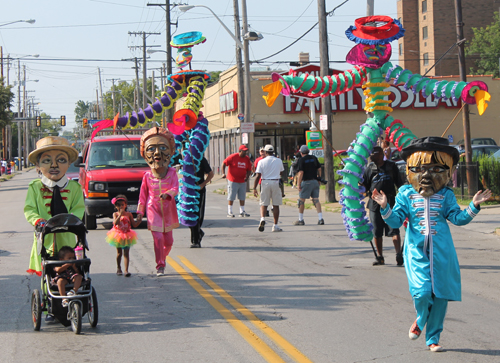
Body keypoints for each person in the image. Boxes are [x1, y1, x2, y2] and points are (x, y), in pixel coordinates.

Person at [372, 136, 491, 353]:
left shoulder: (446, 195)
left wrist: (473, 205)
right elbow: (397, 220)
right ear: (410, 171)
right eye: (420, 169)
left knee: (440, 296)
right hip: (416, 251)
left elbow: (458, 218)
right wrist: (385, 207)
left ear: (447, 172)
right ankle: (420, 319)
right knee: (422, 291)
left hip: (442, 253)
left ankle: (433, 338)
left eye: (436, 169)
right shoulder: (406, 194)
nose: (426, 175)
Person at [24, 136, 85, 276]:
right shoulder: (35, 187)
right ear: (38, 165)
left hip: (67, 237)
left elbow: (78, 207)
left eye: (61, 160)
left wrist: (72, 219)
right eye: (47, 161)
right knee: (48, 271)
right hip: (45, 239)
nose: (54, 165)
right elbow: (30, 209)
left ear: (69, 163)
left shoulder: (75, 187)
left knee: (69, 267)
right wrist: (38, 220)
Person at [137, 127, 179, 277]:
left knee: (169, 241)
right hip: (153, 209)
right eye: (151, 149)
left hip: (168, 210)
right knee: (158, 238)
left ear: (170, 151)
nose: (157, 153)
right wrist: (139, 213)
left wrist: (168, 194)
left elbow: (176, 187)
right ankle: (160, 265)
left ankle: (163, 256)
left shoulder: (172, 173)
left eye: (162, 148)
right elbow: (142, 196)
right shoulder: (147, 176)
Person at [362, 146, 404, 266]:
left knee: (394, 229)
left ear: (381, 154)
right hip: (374, 204)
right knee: (376, 231)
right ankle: (380, 257)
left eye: (373, 154)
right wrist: (360, 185)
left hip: (390, 201)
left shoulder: (391, 166)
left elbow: (399, 184)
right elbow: (365, 186)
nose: (371, 156)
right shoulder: (370, 168)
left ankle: (398, 254)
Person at [106, 195, 141, 276]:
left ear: (125, 205)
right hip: (118, 235)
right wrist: (120, 215)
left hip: (127, 234)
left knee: (126, 253)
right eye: (118, 205)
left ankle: (126, 270)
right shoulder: (115, 214)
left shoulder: (129, 214)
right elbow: (115, 223)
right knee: (119, 253)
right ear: (115, 206)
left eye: (122, 205)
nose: (121, 206)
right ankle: (118, 268)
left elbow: (134, 224)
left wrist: (138, 221)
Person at [253, 144, 284, 232]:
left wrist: (254, 188)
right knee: (276, 204)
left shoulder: (261, 162)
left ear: (266, 152)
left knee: (264, 203)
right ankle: (275, 225)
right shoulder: (278, 160)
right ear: (273, 152)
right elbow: (281, 172)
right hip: (275, 181)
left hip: (265, 181)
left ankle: (262, 218)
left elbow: (258, 175)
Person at [293, 145, 324, 225]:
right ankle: (320, 219)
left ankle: (301, 219)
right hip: (315, 181)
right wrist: (319, 178)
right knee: (316, 199)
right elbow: (319, 168)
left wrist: (298, 184)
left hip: (306, 181)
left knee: (301, 201)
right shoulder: (314, 158)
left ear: (301, 152)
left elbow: (301, 172)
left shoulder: (301, 160)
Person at [190, 157, 214, 248]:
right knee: (188, 215)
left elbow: (211, 174)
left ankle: (195, 241)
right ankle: (199, 233)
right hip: (188, 191)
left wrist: (202, 185)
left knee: (196, 215)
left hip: (199, 190)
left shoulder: (201, 159)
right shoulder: (186, 159)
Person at [221, 145, 252, 218]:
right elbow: (224, 163)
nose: (245, 153)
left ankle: (242, 211)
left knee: (242, 196)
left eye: (246, 151)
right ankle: (230, 211)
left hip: (242, 180)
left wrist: (247, 176)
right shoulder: (233, 157)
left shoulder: (247, 159)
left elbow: (249, 169)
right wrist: (223, 173)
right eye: (244, 151)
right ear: (240, 151)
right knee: (231, 195)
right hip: (233, 180)